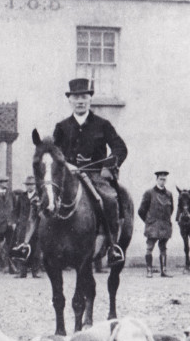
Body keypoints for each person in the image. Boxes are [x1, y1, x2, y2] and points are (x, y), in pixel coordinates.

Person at [16, 78, 128, 267]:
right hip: (67, 175)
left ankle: (113, 247)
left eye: (84, 96)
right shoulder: (62, 126)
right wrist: (67, 165)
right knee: (41, 200)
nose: (80, 101)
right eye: (76, 97)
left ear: (90, 99)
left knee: (108, 199)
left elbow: (120, 148)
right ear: (70, 100)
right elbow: (54, 152)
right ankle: (27, 244)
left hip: (95, 175)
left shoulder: (103, 124)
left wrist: (108, 167)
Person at [138, 170, 174, 277]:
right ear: (156, 179)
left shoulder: (169, 194)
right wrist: (149, 221)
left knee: (163, 248)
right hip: (152, 225)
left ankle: (164, 271)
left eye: (164, 179)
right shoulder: (149, 193)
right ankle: (149, 270)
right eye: (161, 179)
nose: (163, 181)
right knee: (149, 247)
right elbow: (141, 211)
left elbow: (171, 209)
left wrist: (165, 220)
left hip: (164, 225)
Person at [12, 176, 41, 278]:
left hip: (35, 226)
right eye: (28, 185)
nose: (29, 187)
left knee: (36, 249)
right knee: (21, 248)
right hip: (23, 226)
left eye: (32, 185)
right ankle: (22, 271)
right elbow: (16, 210)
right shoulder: (22, 196)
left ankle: (35, 271)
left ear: (35, 185)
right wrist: (15, 222)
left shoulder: (39, 196)